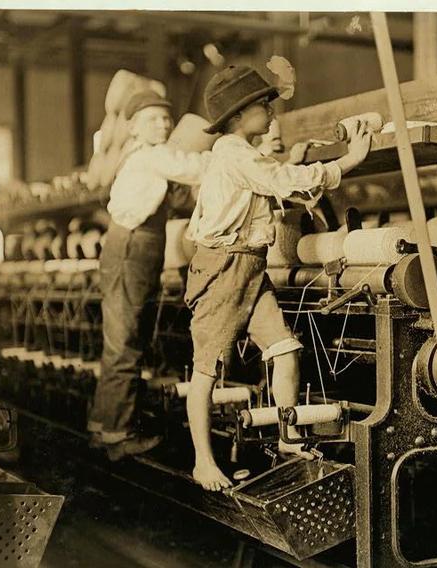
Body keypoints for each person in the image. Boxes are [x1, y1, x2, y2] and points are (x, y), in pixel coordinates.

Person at [184, 65, 372, 491]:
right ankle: (202, 461)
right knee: (207, 371)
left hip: (250, 266)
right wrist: (348, 161)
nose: (271, 112)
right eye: (262, 105)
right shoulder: (234, 153)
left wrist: (306, 164)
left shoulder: (243, 154)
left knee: (285, 349)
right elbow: (285, 181)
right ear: (236, 117)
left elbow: (282, 178)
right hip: (223, 268)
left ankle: (288, 438)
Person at [89, 90, 212, 461]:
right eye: (152, 119)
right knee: (126, 341)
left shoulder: (138, 157)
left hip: (130, 248)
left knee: (123, 340)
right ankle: (119, 436)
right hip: (133, 250)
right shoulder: (151, 155)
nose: (162, 124)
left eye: (165, 118)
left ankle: (105, 424)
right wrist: (236, 152)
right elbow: (198, 168)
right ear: (132, 127)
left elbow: (175, 199)